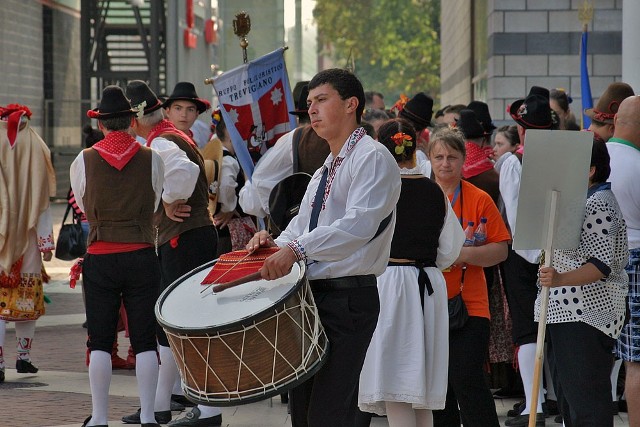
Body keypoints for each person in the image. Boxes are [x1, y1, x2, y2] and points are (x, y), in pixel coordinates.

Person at [247, 68, 401, 426]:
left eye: (321, 100)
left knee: (331, 414)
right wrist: (271, 245)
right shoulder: (325, 169)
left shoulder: (372, 157)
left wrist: (296, 250)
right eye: (309, 103)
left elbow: (357, 226)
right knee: (303, 413)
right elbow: (301, 227)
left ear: (351, 105)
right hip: (313, 298)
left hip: (348, 299)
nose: (311, 110)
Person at [123, 80, 219, 426]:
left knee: (178, 322)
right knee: (174, 322)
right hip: (191, 236)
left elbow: (184, 173)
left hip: (186, 238)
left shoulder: (162, 141)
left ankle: (202, 409)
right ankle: (161, 405)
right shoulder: (167, 136)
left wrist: (167, 200)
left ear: (132, 121)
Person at [70, 85, 166, 427]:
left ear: (101, 124)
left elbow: (83, 205)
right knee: (144, 340)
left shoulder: (84, 159)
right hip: (142, 254)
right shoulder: (152, 157)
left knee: (99, 339)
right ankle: (150, 416)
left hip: (101, 255)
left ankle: (98, 417)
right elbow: (156, 202)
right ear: (130, 122)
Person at [358, 118, 464, 426]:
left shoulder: (379, 191)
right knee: (417, 384)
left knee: (395, 382)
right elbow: (450, 248)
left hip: (391, 284)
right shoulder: (435, 192)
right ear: (414, 149)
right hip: (427, 283)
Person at [537, 137, 628, 427]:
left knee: (585, 403)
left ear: (589, 169)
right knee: (572, 402)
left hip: (585, 315)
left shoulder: (598, 204)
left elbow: (599, 266)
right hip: (569, 313)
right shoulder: (584, 200)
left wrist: (560, 278)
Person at [428, 127, 509, 427]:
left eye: (452, 157)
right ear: (429, 159)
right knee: (439, 387)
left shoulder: (479, 198)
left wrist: (460, 255)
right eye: (439, 156)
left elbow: (500, 250)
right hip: (428, 304)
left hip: (471, 304)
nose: (445, 163)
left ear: (463, 160)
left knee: (467, 377)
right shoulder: (420, 198)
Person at [500, 86, 558, 426]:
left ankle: (533, 403)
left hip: (525, 254)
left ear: (521, 130)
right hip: (555, 250)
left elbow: (516, 215)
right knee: (547, 325)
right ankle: (543, 397)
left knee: (527, 328)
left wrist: (534, 255)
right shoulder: (560, 157)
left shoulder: (514, 162)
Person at [0, 103, 56, 383]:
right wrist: (46, 242)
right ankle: (23, 358)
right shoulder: (36, 144)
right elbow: (42, 200)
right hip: (30, 238)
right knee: (25, 298)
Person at [610, 95, 640, 427]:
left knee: (610, 357)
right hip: (634, 263)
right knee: (637, 361)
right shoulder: (635, 163)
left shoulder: (599, 157)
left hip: (599, 265)